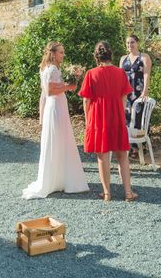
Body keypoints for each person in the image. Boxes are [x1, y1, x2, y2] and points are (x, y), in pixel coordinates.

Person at [22, 41, 89, 199]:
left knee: (58, 140)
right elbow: (50, 91)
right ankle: (59, 179)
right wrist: (69, 87)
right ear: (53, 54)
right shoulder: (52, 68)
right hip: (55, 107)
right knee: (59, 139)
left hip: (56, 106)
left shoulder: (48, 67)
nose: (63, 55)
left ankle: (58, 177)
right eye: (61, 52)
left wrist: (68, 83)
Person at [78, 41, 138, 202]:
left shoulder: (91, 73)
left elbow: (86, 100)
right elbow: (124, 98)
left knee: (102, 157)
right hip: (116, 117)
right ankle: (128, 193)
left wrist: (88, 119)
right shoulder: (120, 73)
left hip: (98, 118)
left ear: (96, 56)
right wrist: (118, 111)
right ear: (110, 54)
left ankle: (107, 194)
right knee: (122, 156)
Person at [120, 34, 152, 157]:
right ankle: (128, 146)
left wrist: (145, 91)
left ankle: (140, 147)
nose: (130, 45)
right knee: (127, 119)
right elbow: (120, 76)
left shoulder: (144, 57)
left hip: (139, 93)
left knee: (139, 118)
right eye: (128, 43)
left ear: (137, 43)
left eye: (132, 42)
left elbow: (146, 75)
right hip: (125, 94)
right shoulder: (123, 59)